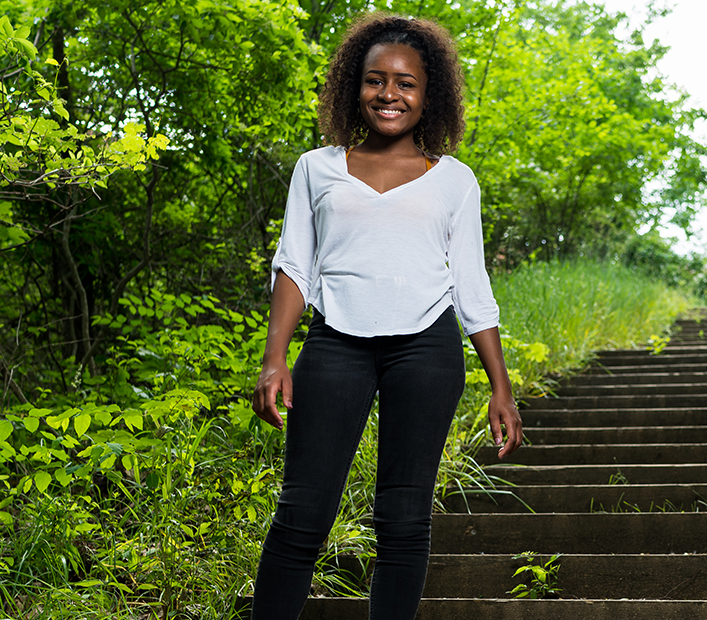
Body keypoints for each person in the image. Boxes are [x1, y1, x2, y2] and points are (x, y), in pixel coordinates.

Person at [248, 12, 522, 620]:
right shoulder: (316, 167)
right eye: (375, 80)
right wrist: (275, 359)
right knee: (301, 513)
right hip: (335, 345)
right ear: (355, 87)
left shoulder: (455, 181)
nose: (389, 94)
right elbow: (294, 266)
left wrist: (500, 387)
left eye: (405, 83)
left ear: (430, 94)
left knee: (403, 518)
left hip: (427, 350)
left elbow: (471, 285)